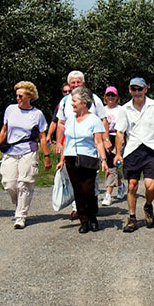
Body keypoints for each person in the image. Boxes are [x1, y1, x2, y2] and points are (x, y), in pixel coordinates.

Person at [0, 81, 52, 229]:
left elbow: (42, 137)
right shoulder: (10, 110)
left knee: (25, 183)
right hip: (11, 151)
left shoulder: (37, 114)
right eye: (16, 95)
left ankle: (21, 216)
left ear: (29, 97)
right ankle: (20, 204)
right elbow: (4, 130)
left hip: (28, 150)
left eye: (20, 95)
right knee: (9, 183)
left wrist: (47, 156)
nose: (17, 98)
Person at [113, 77, 154, 232]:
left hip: (151, 148)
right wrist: (118, 153)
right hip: (132, 150)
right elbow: (120, 132)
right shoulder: (125, 109)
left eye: (140, 89)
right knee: (132, 185)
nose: (137, 92)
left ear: (145, 89)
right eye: (134, 89)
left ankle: (148, 205)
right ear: (130, 90)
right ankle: (132, 217)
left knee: (150, 186)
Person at [55, 87, 108, 233]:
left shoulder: (94, 120)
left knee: (88, 190)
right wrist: (62, 159)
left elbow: (98, 142)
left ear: (84, 102)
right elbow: (67, 141)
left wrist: (103, 159)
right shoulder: (70, 119)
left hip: (88, 157)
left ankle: (92, 217)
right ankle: (83, 220)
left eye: (74, 100)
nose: (71, 103)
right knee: (77, 190)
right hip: (71, 158)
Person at [100, 86, 126, 206]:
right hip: (105, 138)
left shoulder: (121, 110)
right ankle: (120, 185)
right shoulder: (102, 110)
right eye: (108, 95)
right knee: (112, 166)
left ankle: (108, 194)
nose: (110, 97)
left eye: (113, 95)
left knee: (112, 166)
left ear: (117, 97)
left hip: (117, 137)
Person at [46, 81, 70, 150]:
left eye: (69, 91)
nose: (67, 93)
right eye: (65, 91)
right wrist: (49, 135)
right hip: (63, 139)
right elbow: (54, 121)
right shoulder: (61, 105)